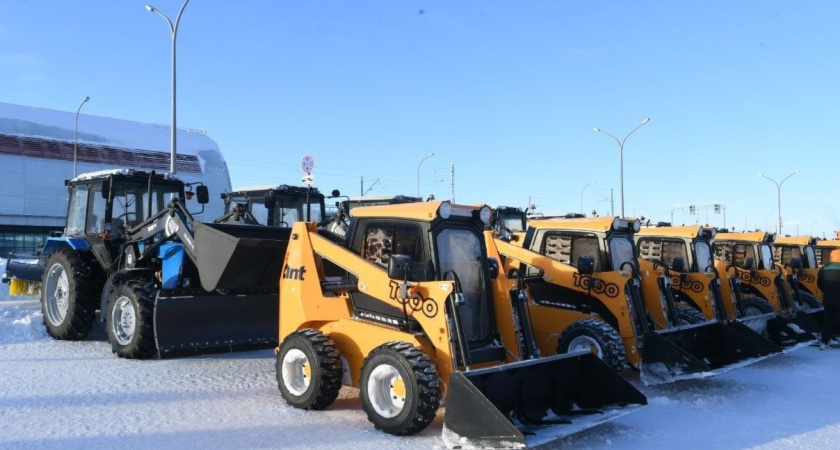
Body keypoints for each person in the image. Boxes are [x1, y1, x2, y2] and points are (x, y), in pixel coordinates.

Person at [816, 249, 840, 350]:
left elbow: (819, 284)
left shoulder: (823, 269)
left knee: (828, 320)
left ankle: (824, 342)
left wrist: (827, 292)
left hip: (828, 299)